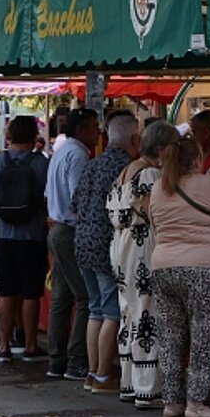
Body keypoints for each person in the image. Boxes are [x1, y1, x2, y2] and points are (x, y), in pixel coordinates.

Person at [148, 136, 210, 417]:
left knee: (170, 337)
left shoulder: (158, 187)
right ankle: (195, 403)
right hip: (204, 268)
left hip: (164, 267)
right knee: (205, 335)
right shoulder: (209, 184)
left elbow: (155, 225)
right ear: (196, 160)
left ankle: (171, 403)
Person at [107, 118, 178, 408]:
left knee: (130, 313)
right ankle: (147, 388)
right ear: (161, 149)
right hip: (142, 246)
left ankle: (130, 383)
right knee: (147, 314)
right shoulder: (150, 174)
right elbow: (154, 214)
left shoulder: (127, 170)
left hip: (122, 246)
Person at [73, 112, 140, 392]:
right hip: (108, 245)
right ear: (135, 140)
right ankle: (103, 374)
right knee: (112, 312)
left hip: (83, 242)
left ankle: (92, 372)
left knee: (95, 309)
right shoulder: (128, 169)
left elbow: (74, 206)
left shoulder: (92, 164)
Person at [0, 115, 50, 362]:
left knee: (7, 290)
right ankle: (30, 344)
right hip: (32, 234)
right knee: (31, 291)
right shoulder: (41, 163)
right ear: (33, 136)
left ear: (10, 135)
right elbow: (48, 197)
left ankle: (4, 345)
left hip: (2, 234)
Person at [43, 108, 99, 382]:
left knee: (62, 296)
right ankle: (76, 360)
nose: (98, 133)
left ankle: (57, 359)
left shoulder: (62, 151)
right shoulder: (77, 154)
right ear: (81, 130)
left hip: (58, 226)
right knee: (85, 297)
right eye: (94, 127)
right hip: (69, 230)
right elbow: (80, 198)